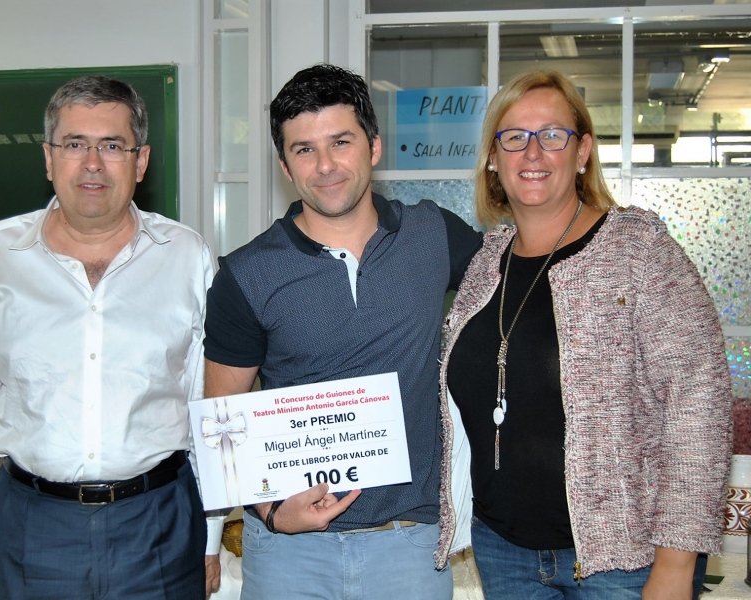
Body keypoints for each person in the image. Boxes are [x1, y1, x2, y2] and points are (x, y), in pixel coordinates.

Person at [435, 69, 733, 598]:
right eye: (514, 137)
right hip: (502, 549)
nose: (533, 152)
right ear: (493, 159)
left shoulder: (640, 252)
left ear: (582, 152)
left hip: (624, 562)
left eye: (553, 135)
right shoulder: (485, 265)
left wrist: (676, 563)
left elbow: (699, 406)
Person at [203, 63, 482, 599]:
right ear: (284, 164)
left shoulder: (434, 235)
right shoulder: (246, 274)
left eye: (340, 142)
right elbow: (221, 424)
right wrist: (272, 511)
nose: (325, 165)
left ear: (374, 146)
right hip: (288, 554)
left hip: (410, 543)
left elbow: (524, 284)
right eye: (304, 149)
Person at [0, 75, 223, 599]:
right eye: (74, 144)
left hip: (159, 525)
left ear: (140, 162)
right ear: (49, 159)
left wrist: (209, 535)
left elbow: (207, 401)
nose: (92, 163)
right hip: (28, 527)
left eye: (112, 145)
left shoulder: (187, 256)